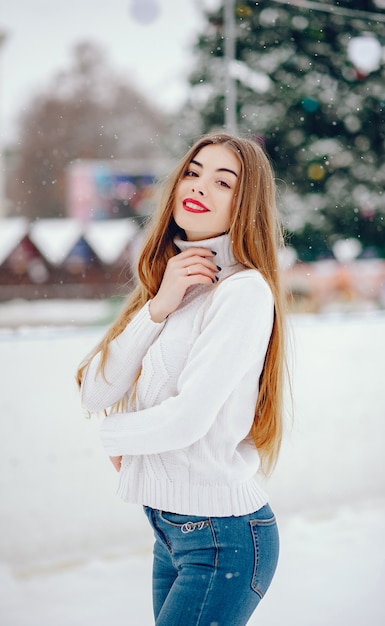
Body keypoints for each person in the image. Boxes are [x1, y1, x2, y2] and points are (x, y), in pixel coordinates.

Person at [77, 131, 287, 626]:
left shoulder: (242, 292)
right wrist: (160, 304)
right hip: (169, 532)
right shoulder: (176, 282)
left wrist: (116, 438)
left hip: (224, 539)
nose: (199, 187)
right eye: (193, 173)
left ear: (245, 204)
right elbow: (95, 390)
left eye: (223, 181)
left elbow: (189, 418)